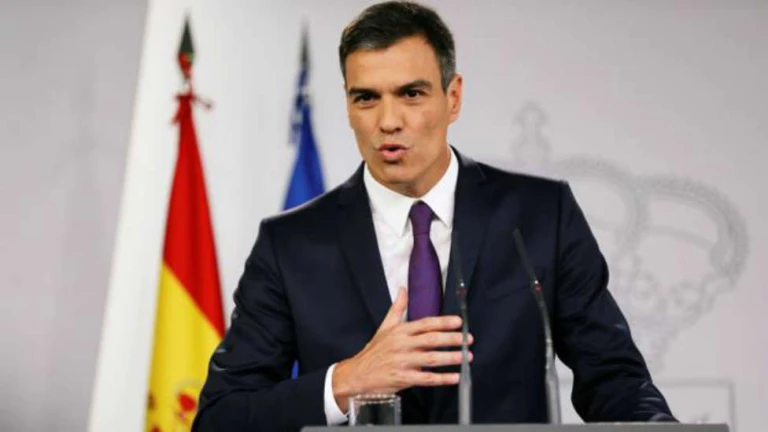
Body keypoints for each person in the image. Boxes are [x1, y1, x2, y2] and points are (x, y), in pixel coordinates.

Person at [193, 1, 675, 430]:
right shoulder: (292, 244)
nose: (388, 121)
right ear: (348, 104)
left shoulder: (539, 217)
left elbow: (613, 378)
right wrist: (346, 381)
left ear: (453, 97)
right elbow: (221, 417)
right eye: (366, 97)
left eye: (411, 94)